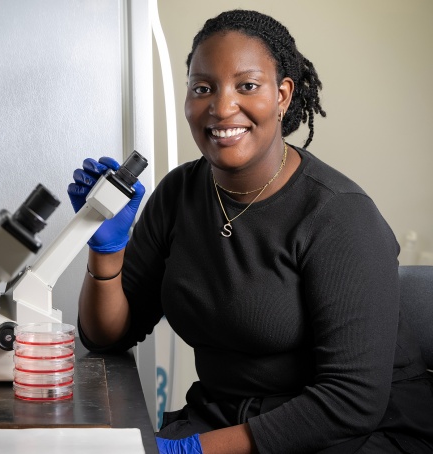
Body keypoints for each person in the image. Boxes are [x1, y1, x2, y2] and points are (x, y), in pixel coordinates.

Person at [66, 9, 433, 454]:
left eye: (247, 86)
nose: (221, 108)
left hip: (351, 434)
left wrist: (195, 451)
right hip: (225, 417)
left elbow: (351, 402)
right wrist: (106, 248)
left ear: (282, 95)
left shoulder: (339, 216)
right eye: (203, 88)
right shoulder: (179, 193)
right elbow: (109, 336)